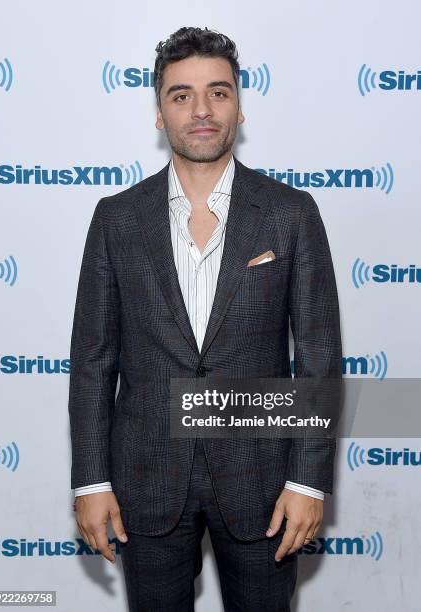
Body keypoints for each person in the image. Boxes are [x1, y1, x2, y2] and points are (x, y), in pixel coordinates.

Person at [68, 26, 342, 611]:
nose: (200, 110)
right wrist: (91, 481)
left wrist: (307, 480)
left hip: (263, 481)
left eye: (218, 93)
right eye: (180, 94)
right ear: (159, 114)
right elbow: (92, 360)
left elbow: (318, 357)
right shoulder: (116, 219)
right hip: (146, 477)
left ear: (240, 108)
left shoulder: (291, 213)